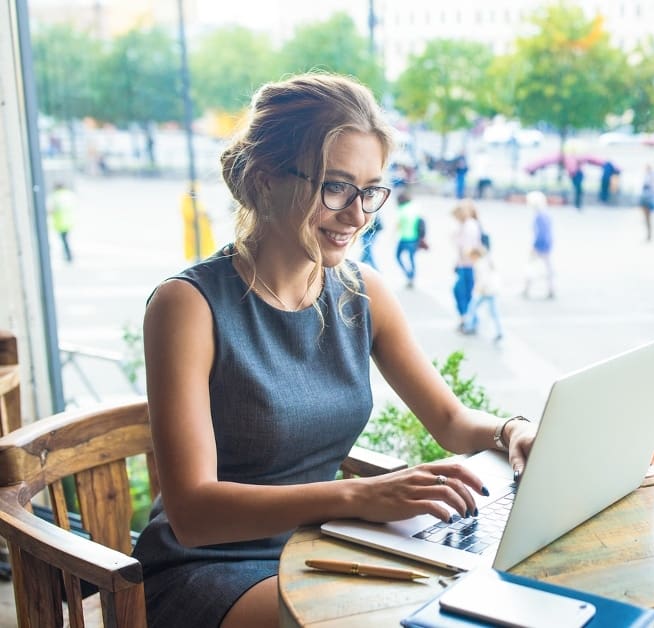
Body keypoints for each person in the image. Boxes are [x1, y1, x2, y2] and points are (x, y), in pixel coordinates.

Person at [131, 74, 536, 628]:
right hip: (209, 567)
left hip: (326, 547)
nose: (359, 215)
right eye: (335, 187)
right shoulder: (188, 305)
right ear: (264, 179)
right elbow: (194, 514)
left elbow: (450, 419)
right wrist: (356, 498)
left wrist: (513, 431)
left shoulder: (361, 291)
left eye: (370, 190)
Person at [462, 246, 504, 342]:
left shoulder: (479, 264)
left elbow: (481, 280)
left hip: (484, 291)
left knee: (472, 308)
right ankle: (500, 331)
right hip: (492, 290)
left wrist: (476, 291)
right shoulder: (487, 261)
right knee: (494, 312)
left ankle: (468, 327)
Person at [452, 199, 483, 327]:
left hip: (468, 265)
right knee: (463, 292)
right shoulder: (466, 224)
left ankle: (467, 319)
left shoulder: (470, 225)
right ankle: (467, 318)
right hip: (465, 264)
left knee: (463, 292)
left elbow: (468, 247)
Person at [523, 191, 555, 299]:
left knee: (531, 266)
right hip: (547, 245)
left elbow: (540, 233)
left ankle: (527, 289)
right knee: (548, 267)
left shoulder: (539, 216)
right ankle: (550, 289)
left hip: (540, 246)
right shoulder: (545, 214)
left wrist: (535, 246)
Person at [393, 189, 423, 288]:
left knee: (398, 256)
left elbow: (399, 224)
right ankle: (412, 276)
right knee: (412, 258)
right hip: (414, 238)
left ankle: (408, 274)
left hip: (404, 237)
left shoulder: (402, 209)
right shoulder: (415, 207)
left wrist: (393, 234)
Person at [47, 181, 76, 263]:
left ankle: (68, 256)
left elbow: (52, 209)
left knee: (64, 241)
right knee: (66, 240)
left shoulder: (56, 196)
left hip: (60, 222)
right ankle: (68, 255)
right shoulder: (69, 194)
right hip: (69, 221)